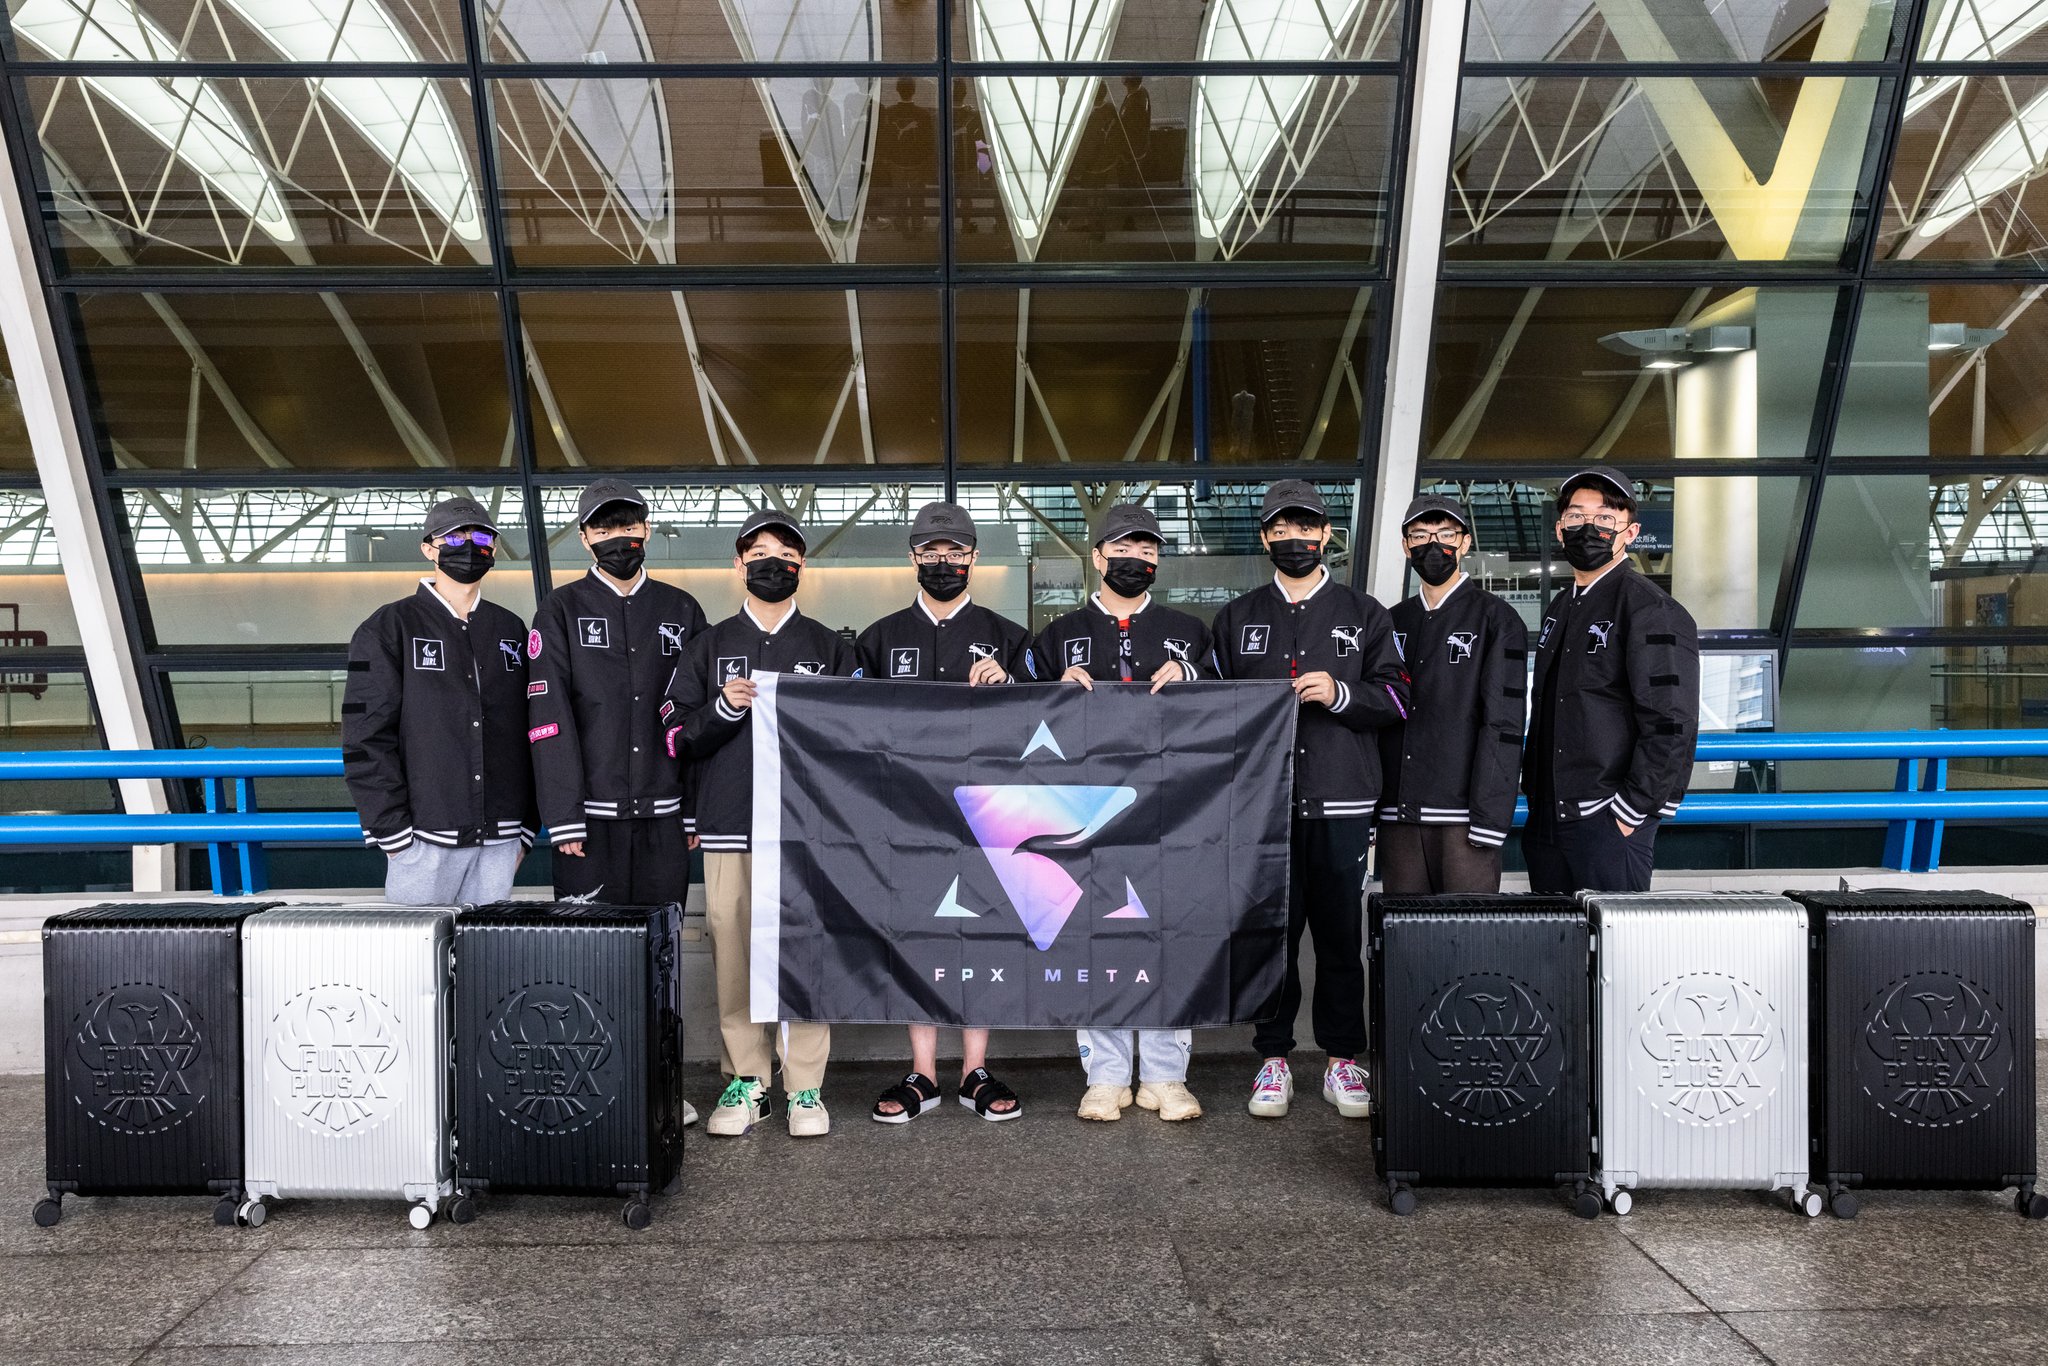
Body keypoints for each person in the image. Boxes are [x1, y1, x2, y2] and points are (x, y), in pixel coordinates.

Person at [1208, 480, 1409, 1122]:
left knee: (1339, 939)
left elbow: (1399, 698)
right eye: (1280, 529)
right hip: (1263, 809)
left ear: (1326, 535)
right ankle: (1273, 1058)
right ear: (1265, 537)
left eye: (1305, 528)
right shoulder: (1237, 617)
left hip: (1342, 804)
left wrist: (1341, 693)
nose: (1293, 539)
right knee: (1272, 937)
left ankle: (1342, 1058)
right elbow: (1209, 708)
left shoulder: (1365, 612)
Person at [664, 509, 862, 1139]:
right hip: (730, 826)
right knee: (734, 953)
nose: (772, 563)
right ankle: (746, 1079)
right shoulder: (708, 646)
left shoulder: (831, 647)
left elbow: (860, 738)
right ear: (738, 564)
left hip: (807, 833)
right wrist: (723, 707)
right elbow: (676, 734)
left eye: (785, 554)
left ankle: (804, 1085)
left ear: (802, 565)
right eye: (759, 554)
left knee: (806, 951)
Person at [856, 502, 1038, 1126]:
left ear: (973, 558)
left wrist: (1009, 688)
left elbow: (1044, 725)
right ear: (913, 557)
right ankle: (924, 1073)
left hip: (985, 817)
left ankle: (975, 1070)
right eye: (931, 551)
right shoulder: (878, 638)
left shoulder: (1010, 638)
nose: (943, 561)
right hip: (904, 819)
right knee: (915, 935)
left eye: (955, 551)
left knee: (982, 933)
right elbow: (847, 723)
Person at [1034, 503, 1209, 1123]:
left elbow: (1232, 700)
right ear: (1098, 556)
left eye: (1149, 550)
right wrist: (1055, 689)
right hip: (1088, 811)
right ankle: (1105, 1076)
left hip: (1174, 810)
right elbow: (1020, 718)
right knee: (1095, 936)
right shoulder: (1057, 635)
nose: (1138, 559)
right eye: (1125, 549)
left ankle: (1166, 1076)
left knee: (1168, 936)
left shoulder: (1191, 632)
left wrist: (1190, 674)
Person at [342, 495, 536, 906]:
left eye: (481, 537)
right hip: (423, 841)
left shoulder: (510, 629)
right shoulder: (388, 627)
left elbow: (533, 729)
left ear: (494, 548)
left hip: (501, 839)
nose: (469, 546)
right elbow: (364, 737)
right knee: (418, 948)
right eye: (454, 538)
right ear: (429, 549)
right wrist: (394, 835)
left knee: (488, 948)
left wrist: (525, 831)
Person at [528, 479, 707, 905]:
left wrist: (694, 810)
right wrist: (564, 817)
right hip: (588, 823)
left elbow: (698, 718)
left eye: (628, 528)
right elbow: (548, 716)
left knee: (661, 936)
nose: (618, 539)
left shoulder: (681, 608)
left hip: (666, 815)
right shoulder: (560, 609)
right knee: (589, 940)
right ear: (584, 538)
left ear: (647, 530)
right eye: (603, 531)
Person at [1522, 469, 1700, 895]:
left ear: (1630, 532)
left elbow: (1672, 722)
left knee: (1612, 936)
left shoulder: (1651, 608)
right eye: (1576, 516)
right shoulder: (1560, 607)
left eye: (1604, 518)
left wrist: (1629, 812)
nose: (1589, 528)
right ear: (1560, 529)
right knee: (1553, 935)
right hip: (1549, 819)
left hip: (1606, 822)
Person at [1377, 494, 1528, 893]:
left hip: (1465, 819)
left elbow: (1504, 724)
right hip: (1399, 815)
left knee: (1466, 926)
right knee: (1402, 926)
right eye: (1420, 535)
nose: (1433, 544)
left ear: (1464, 543)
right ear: (1406, 545)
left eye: (1445, 534)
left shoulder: (1496, 618)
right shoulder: (1392, 621)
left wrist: (1490, 817)